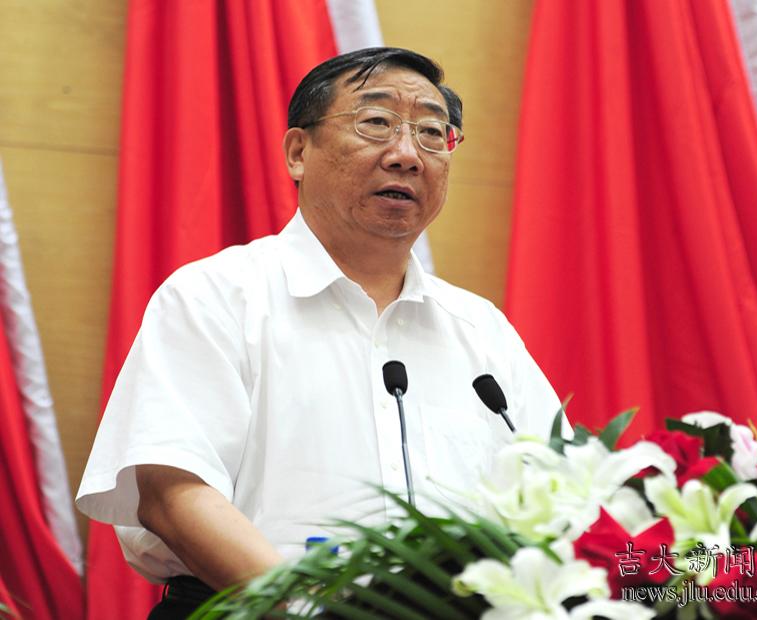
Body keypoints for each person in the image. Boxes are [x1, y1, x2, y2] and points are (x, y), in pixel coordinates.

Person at [77, 47, 564, 617]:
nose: (407, 155)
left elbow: (562, 498)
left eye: (432, 133)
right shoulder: (217, 295)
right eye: (377, 122)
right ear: (298, 152)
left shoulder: (481, 331)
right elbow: (173, 493)